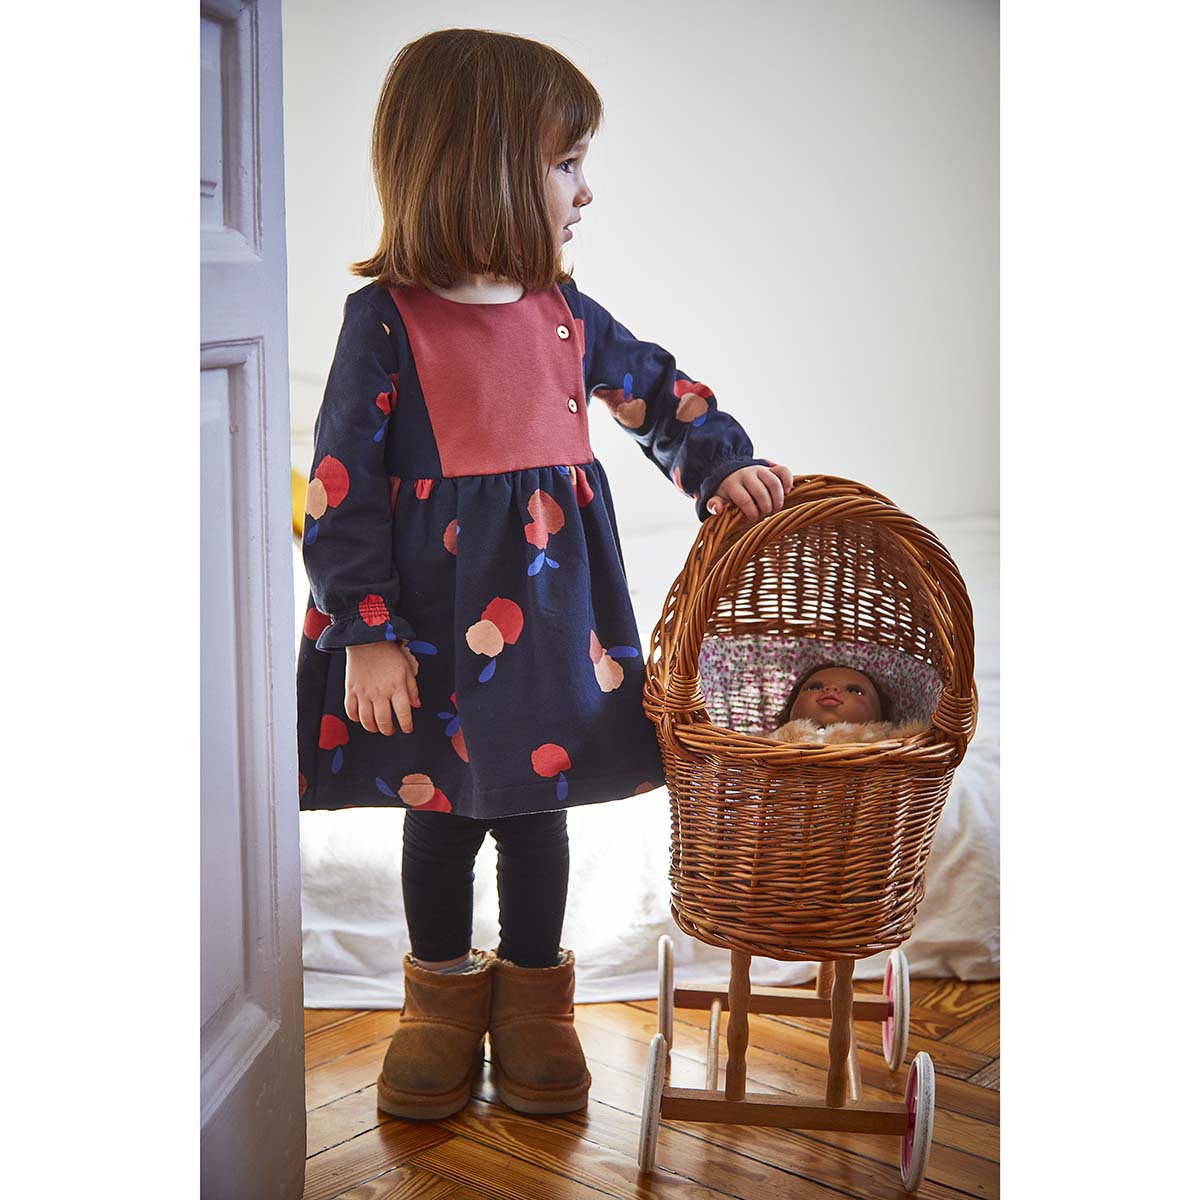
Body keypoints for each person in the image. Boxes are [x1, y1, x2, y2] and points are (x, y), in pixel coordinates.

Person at [295, 27, 793, 1122]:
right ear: (484, 167)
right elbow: (341, 486)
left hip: (553, 615)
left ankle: (535, 1005)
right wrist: (365, 631)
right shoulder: (385, 322)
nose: (586, 191)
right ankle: (437, 1001)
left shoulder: (564, 311)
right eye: (567, 164)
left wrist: (722, 465)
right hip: (429, 626)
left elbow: (659, 393)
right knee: (438, 813)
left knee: (535, 814)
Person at [767, 663, 926, 745]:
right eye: (814, 687)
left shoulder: (892, 745)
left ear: (880, 717)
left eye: (854, 690)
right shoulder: (769, 743)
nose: (831, 688)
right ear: (790, 710)